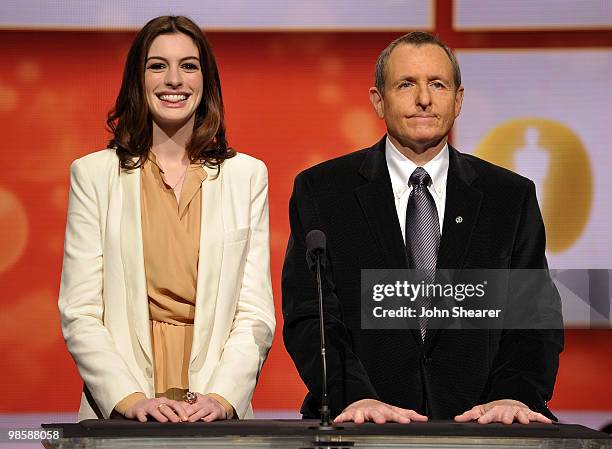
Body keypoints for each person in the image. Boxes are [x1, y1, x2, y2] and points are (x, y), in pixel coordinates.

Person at [282, 32, 563, 425]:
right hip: (362, 428)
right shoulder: (323, 191)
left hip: (481, 429)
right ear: (377, 100)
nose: (424, 99)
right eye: (406, 84)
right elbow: (311, 317)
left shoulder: (509, 197)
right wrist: (356, 397)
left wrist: (513, 396)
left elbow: (534, 317)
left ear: (458, 99)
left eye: (437, 84)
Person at [58, 16, 275, 423]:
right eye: (157, 66)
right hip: (122, 411)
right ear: (137, 80)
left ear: (206, 80)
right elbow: (80, 310)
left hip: (215, 410)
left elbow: (255, 313)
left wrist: (221, 396)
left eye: (188, 66)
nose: (174, 79)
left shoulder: (247, 176)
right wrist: (130, 398)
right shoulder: (92, 175)